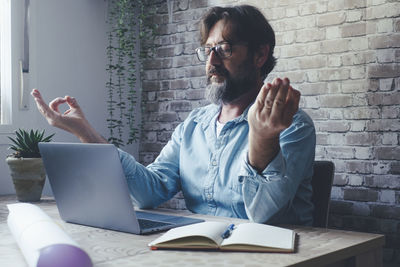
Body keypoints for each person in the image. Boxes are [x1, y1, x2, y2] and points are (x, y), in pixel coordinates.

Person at [31, 5, 316, 225]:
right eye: (207, 50)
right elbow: (150, 191)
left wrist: (263, 139)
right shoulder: (194, 125)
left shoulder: (292, 126)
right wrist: (86, 133)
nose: (211, 62)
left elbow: (265, 219)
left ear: (260, 55)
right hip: (202, 253)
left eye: (224, 49)